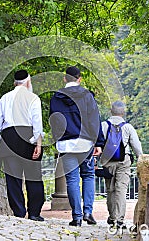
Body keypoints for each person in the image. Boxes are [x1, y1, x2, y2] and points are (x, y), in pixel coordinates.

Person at [49, 66, 105, 227]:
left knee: (71, 180)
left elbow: (54, 120)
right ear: (79, 79)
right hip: (85, 143)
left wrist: (57, 138)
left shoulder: (56, 97)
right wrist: (99, 142)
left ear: (65, 79)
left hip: (66, 144)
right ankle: (88, 212)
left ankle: (77, 217)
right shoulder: (87, 96)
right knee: (88, 176)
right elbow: (94, 120)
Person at [0, 69, 45, 221]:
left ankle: (19, 212)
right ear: (28, 82)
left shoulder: (5, 98)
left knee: (13, 178)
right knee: (33, 177)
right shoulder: (33, 98)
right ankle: (34, 213)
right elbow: (37, 123)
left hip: (8, 139)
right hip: (28, 138)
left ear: (15, 83)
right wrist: (38, 143)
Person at [99, 100, 143, 229]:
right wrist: (141, 158)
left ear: (111, 111)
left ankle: (112, 217)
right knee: (121, 189)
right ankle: (119, 220)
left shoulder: (103, 125)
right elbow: (136, 146)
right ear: (123, 113)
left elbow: (96, 144)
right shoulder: (127, 127)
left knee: (110, 189)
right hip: (124, 161)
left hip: (107, 161)